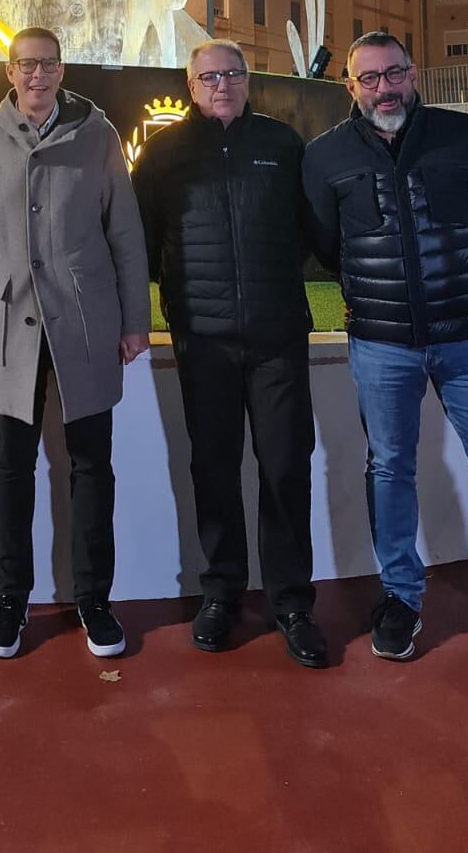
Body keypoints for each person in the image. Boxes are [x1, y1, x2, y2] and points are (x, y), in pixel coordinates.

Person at [303, 32, 468, 681]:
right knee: (389, 470)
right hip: (381, 345)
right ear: (351, 88)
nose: (384, 87)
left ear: (412, 73)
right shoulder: (325, 156)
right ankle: (400, 598)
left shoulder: (466, 137)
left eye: (394, 73)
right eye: (370, 78)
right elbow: (327, 247)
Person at [0, 27, 151, 660]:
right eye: (25, 64)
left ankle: (95, 600)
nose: (37, 74)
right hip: (8, 328)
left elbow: (125, 232)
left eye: (48, 64)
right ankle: (12, 602)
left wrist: (134, 319)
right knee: (11, 469)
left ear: (62, 70)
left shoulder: (98, 137)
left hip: (85, 324)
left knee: (91, 468)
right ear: (9, 71)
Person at [132, 40, 326, 669]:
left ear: (247, 82)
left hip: (277, 336)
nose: (222, 84)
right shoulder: (162, 153)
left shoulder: (282, 144)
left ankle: (292, 603)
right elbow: (142, 240)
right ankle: (221, 593)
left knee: (284, 468)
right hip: (203, 339)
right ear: (190, 85)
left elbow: (308, 231)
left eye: (233, 74)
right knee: (213, 468)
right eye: (209, 76)